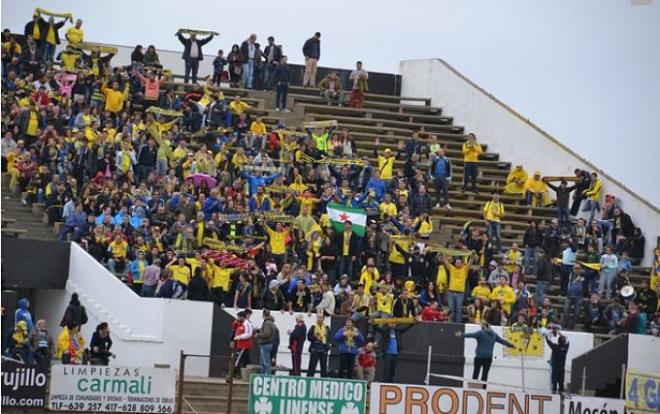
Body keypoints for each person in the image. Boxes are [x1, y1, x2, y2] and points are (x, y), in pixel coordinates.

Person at [456, 320, 516, 388]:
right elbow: (502, 341)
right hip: (488, 358)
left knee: (476, 373)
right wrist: (512, 345)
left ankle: (473, 388)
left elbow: (471, 335)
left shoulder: (481, 333)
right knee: (485, 374)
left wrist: (461, 334)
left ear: (483, 326)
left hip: (479, 357)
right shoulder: (494, 334)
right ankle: (483, 389)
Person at [442, 254, 474, 323]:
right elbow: (445, 261)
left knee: (458, 310)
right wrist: (443, 253)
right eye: (457, 262)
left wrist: (472, 255)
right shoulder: (452, 268)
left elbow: (470, 262)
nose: (458, 263)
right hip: (451, 292)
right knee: (451, 310)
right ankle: (451, 324)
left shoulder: (464, 269)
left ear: (462, 264)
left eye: (459, 262)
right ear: (455, 263)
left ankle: (458, 325)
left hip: (460, 293)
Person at [307, 311, 330, 377]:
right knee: (312, 367)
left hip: (323, 350)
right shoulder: (313, 327)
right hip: (315, 349)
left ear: (323, 318)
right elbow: (309, 337)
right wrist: (315, 337)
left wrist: (325, 337)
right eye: (318, 317)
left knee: (324, 368)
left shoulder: (327, 328)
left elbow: (330, 338)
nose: (319, 319)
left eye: (321, 317)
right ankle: (309, 380)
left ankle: (324, 381)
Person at [230, 311, 253, 375]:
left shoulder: (247, 324)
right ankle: (248, 373)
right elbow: (233, 326)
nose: (237, 318)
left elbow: (249, 334)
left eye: (238, 317)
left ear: (242, 317)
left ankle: (233, 373)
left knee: (238, 359)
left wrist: (239, 337)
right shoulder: (240, 324)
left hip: (244, 345)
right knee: (246, 361)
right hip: (240, 345)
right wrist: (236, 321)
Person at [256, 309, 276, 375]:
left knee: (265, 362)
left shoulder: (267, 323)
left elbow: (266, 334)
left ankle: (267, 376)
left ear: (264, 314)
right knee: (263, 362)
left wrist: (258, 334)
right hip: (267, 344)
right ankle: (263, 375)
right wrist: (260, 330)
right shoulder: (270, 322)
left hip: (265, 344)